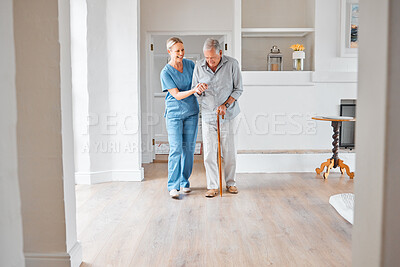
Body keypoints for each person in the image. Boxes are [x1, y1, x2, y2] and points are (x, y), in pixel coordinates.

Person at [192, 38, 243, 198]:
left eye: (212, 58)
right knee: (209, 153)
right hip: (208, 115)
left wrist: (225, 105)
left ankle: (231, 183)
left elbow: (238, 89)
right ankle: (213, 186)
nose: (210, 61)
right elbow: (195, 90)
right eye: (207, 58)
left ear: (220, 53)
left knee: (228, 151)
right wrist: (198, 90)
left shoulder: (232, 64)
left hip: (227, 115)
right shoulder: (199, 66)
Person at [160, 37, 207, 199]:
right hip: (174, 115)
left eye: (182, 49)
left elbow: (197, 83)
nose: (181, 53)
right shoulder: (166, 72)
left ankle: (184, 181)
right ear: (169, 52)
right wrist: (194, 90)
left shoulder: (190, 65)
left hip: (192, 113)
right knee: (176, 149)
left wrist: (199, 88)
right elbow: (177, 95)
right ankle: (173, 185)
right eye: (177, 50)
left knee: (188, 149)